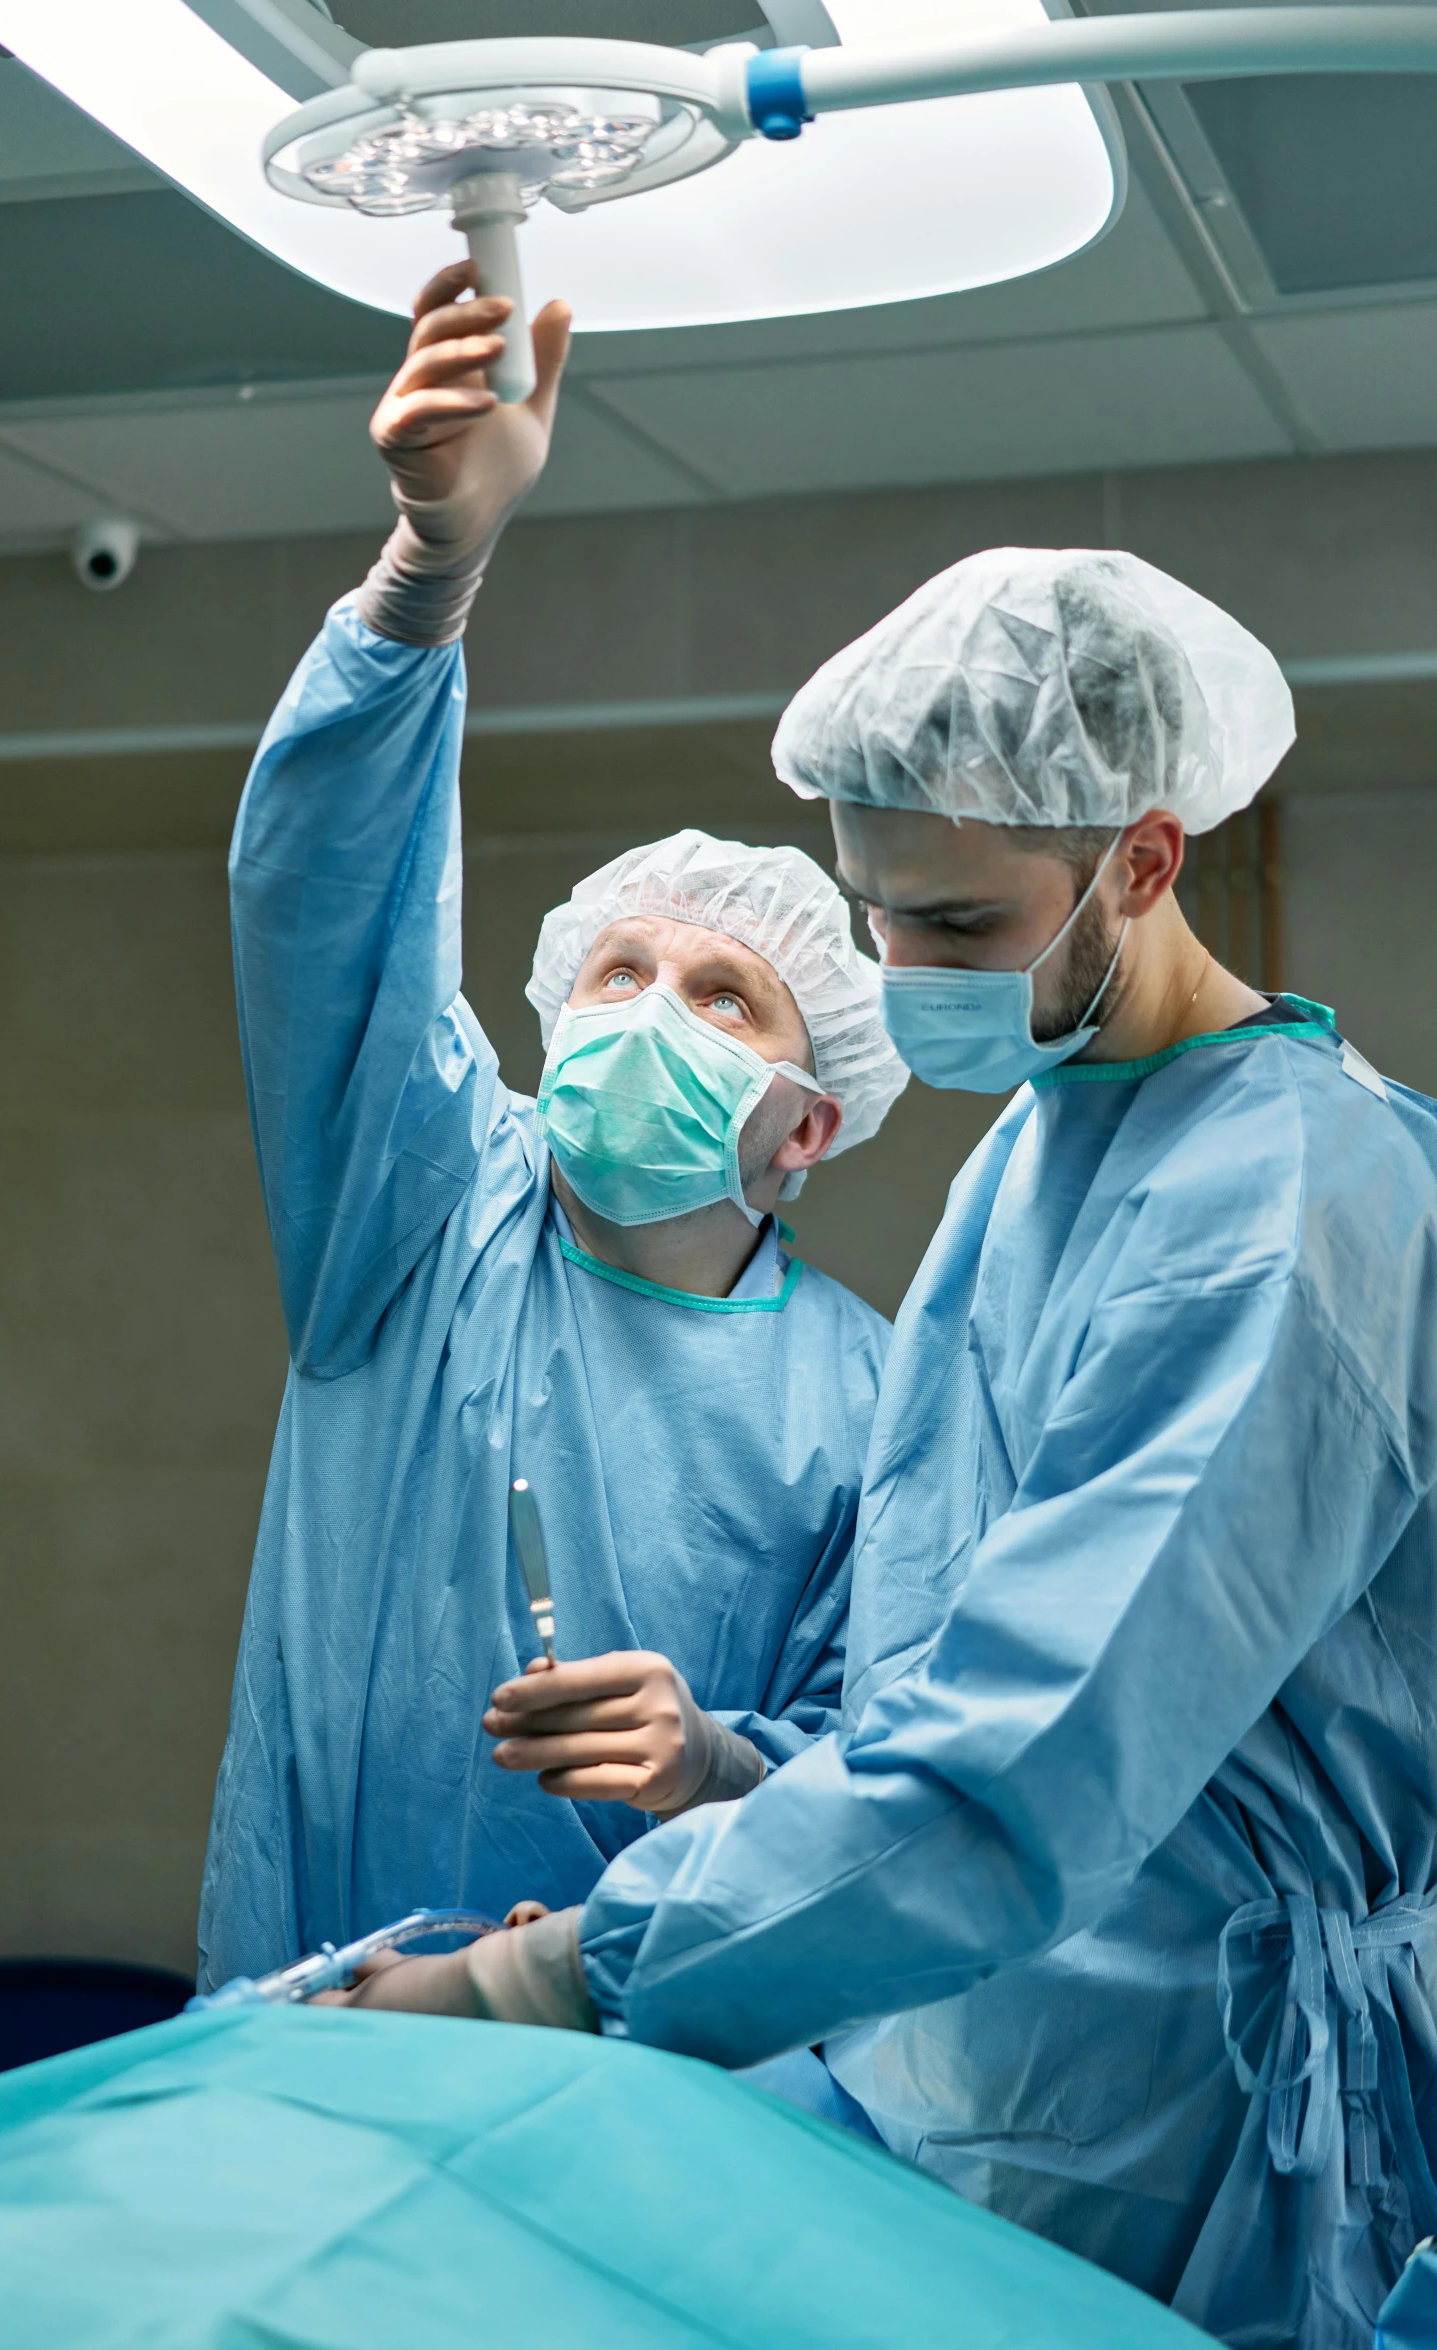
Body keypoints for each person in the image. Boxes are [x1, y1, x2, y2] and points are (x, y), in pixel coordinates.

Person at [329, 549, 1437, 2350]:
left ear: (1142, 857)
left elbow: (1019, 1772)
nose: (903, 970)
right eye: (877, 913)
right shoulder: (1028, 1158)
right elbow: (927, 1674)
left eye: (956, 927)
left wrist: (540, 1975)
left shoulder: (1292, 1208)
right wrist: (735, 1780)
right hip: (978, 2065)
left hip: (1207, 2124)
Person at [196, 265, 907, 1992]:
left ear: (803, 1127)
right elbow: (324, 902)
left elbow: (907, 1784)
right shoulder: (425, 1208)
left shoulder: (869, 1400)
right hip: (307, 2022)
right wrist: (428, 568)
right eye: (613, 968)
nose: (644, 1010)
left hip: (642, 2075)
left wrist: (718, 1760)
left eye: (721, 996)